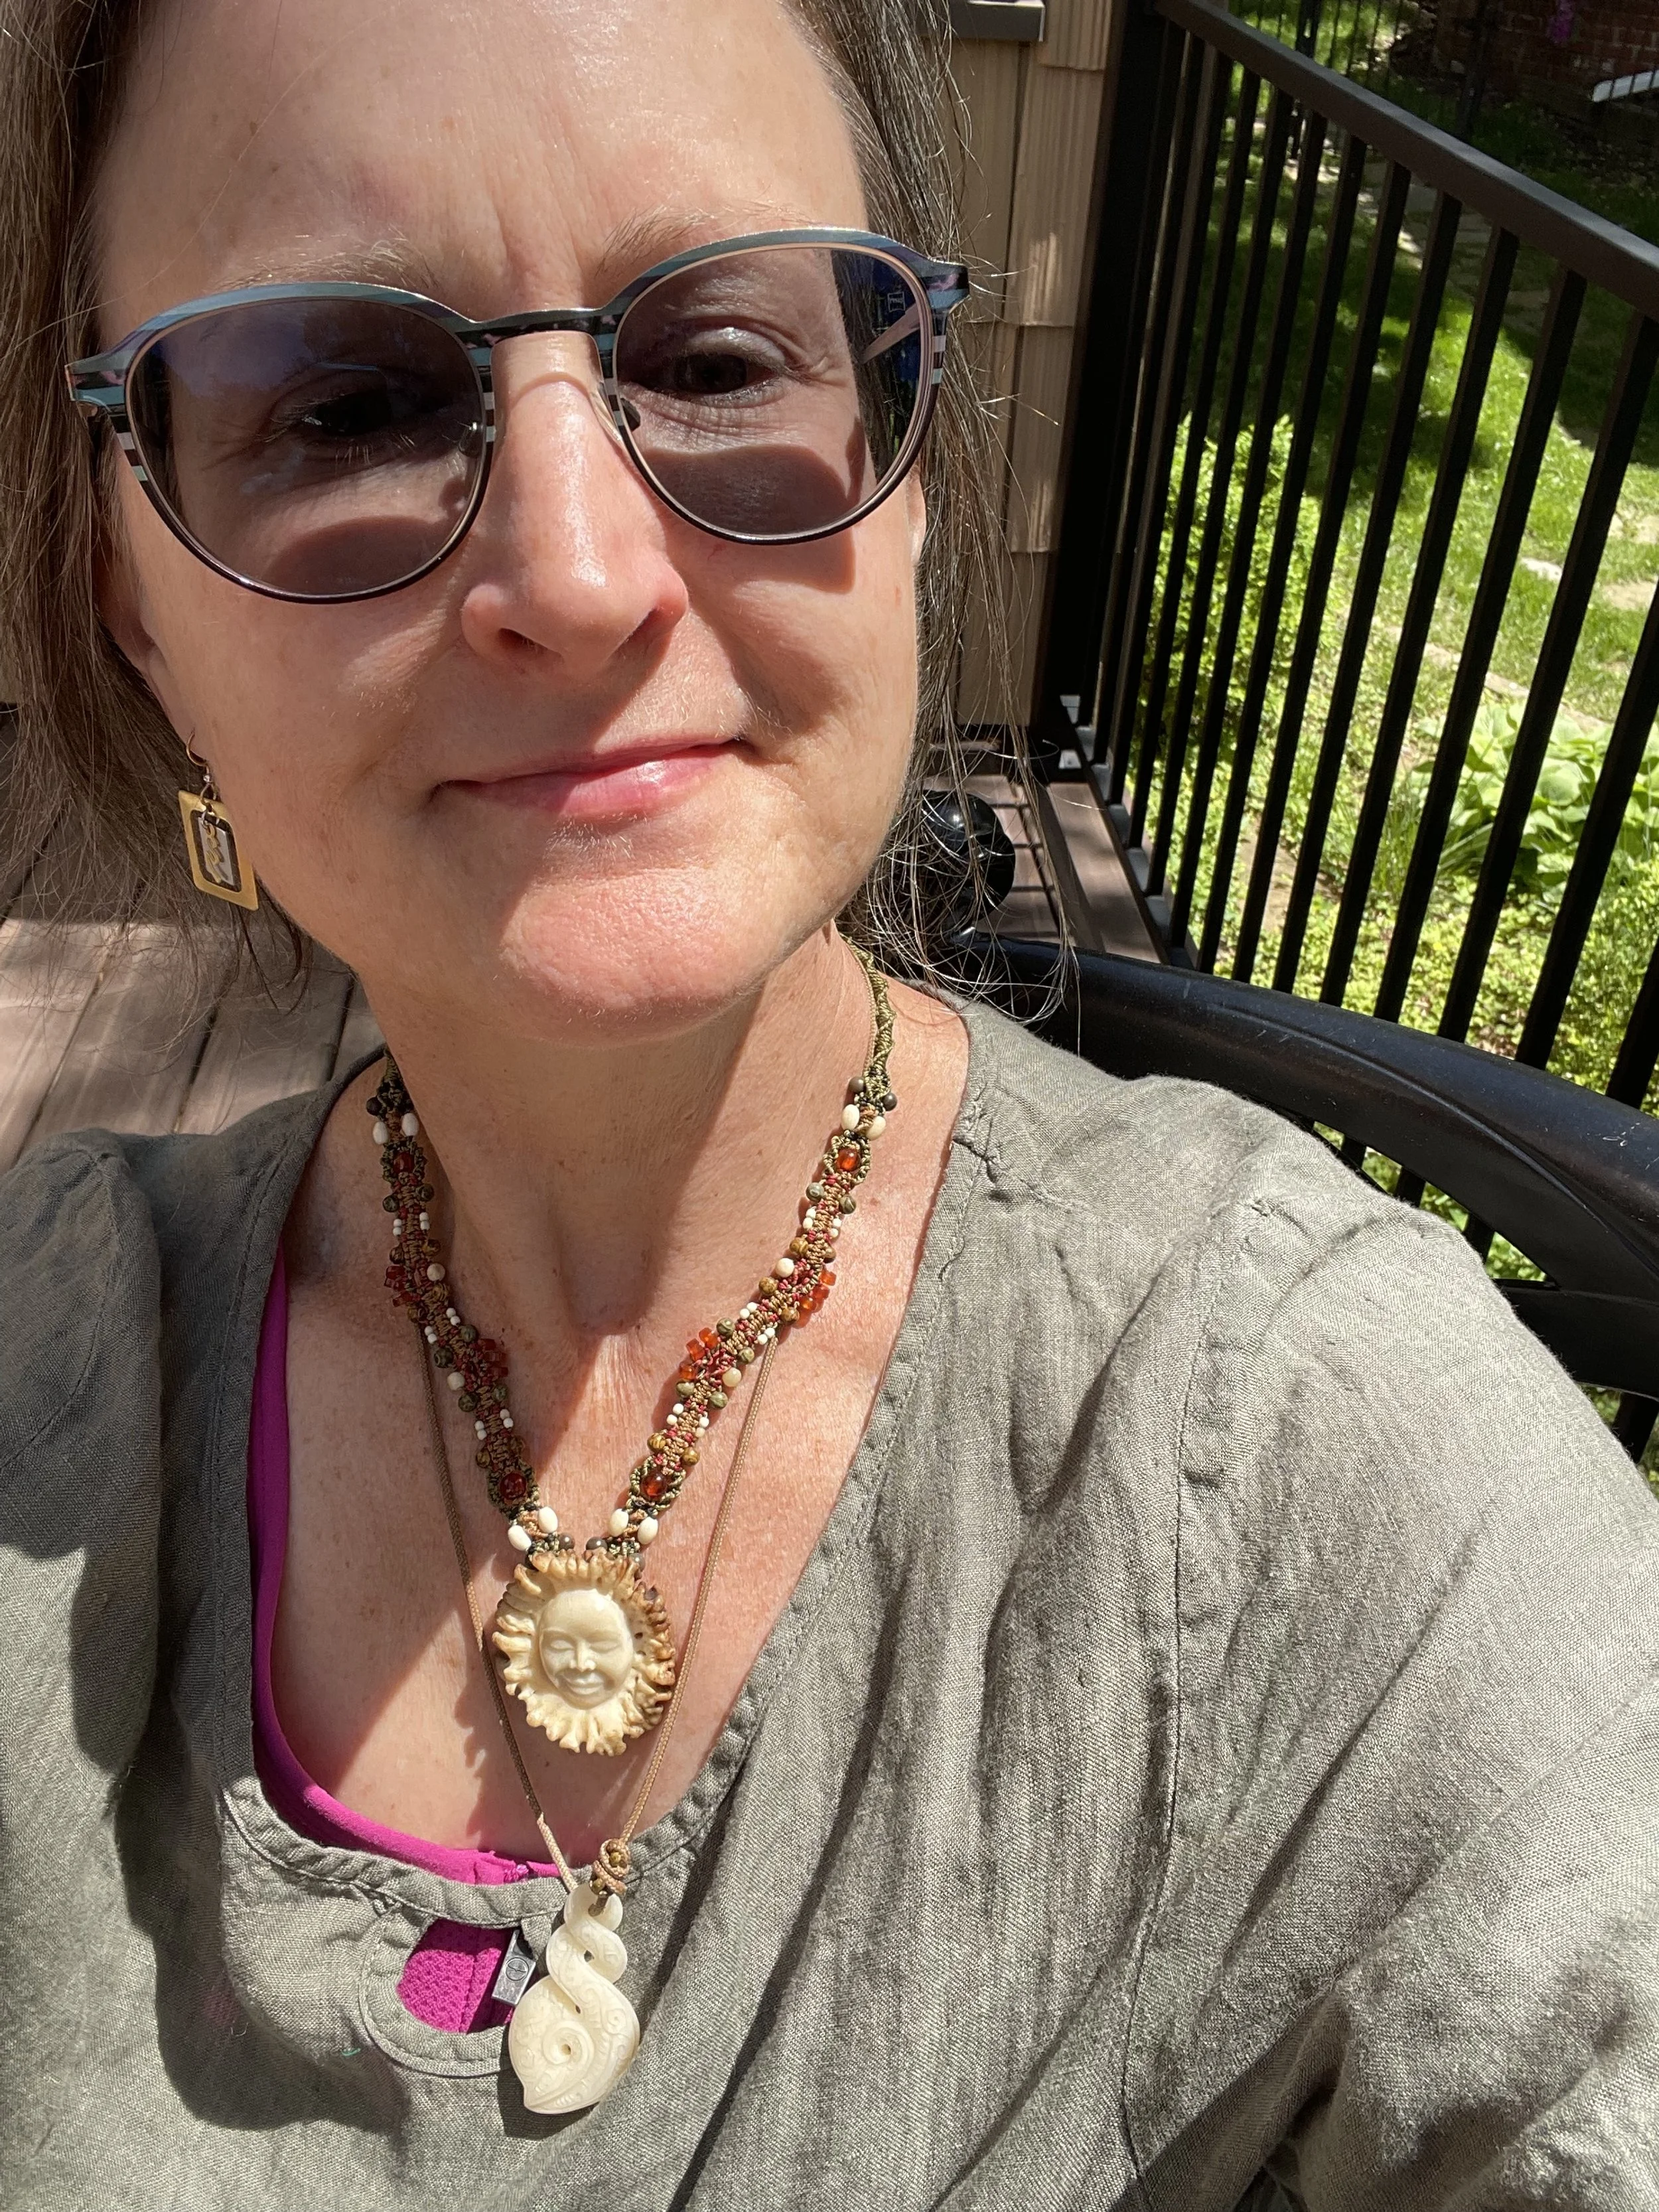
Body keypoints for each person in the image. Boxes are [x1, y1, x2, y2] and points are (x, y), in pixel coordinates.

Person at [0, 0, 1654, 2201]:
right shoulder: (49, 1377)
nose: (580, 575)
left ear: (904, 433)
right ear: (128, 582)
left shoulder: (1321, 1468)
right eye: (350, 402)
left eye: (711, 356)